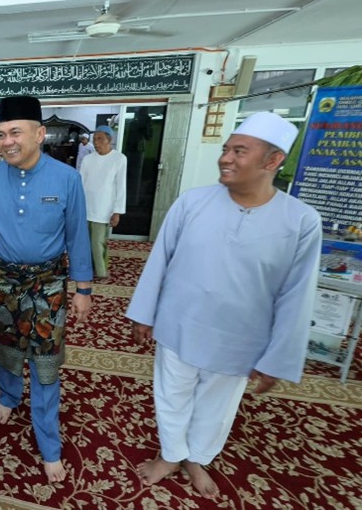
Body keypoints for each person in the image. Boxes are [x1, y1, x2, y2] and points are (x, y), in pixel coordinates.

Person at [126, 111, 322, 499]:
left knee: (216, 406)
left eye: (239, 151)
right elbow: (159, 260)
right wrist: (144, 314)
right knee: (172, 395)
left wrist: (277, 358)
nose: (225, 158)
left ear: (273, 160)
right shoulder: (191, 202)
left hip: (240, 339)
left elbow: (297, 295)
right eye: (225, 149)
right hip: (179, 325)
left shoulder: (301, 221)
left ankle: (196, 458)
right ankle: (170, 455)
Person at [0, 95, 93, 483]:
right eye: (1, 134)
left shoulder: (67, 178)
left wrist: (84, 289)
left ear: (39, 135)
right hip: (3, 281)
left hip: (48, 285)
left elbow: (77, 236)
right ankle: (8, 396)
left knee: (45, 364)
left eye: (15, 133)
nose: (6, 141)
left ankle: (49, 444)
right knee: (6, 349)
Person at [79, 126, 127, 279]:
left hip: (104, 209)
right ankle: (86, 269)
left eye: (100, 139)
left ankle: (101, 271)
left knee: (98, 242)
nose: (96, 142)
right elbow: (80, 184)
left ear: (109, 140)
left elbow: (121, 187)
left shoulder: (119, 159)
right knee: (84, 242)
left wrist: (117, 211)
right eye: (94, 139)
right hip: (86, 207)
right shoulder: (88, 159)